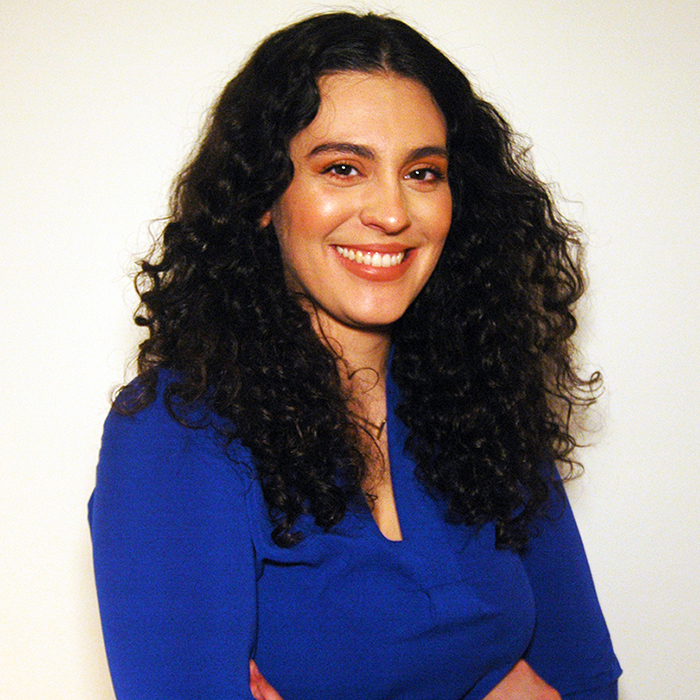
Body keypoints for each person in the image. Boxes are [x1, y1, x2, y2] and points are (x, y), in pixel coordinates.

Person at [89, 11, 622, 700]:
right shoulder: (177, 431)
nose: (392, 212)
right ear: (262, 196)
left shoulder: (485, 397)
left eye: (424, 172)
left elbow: (585, 685)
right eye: (343, 168)